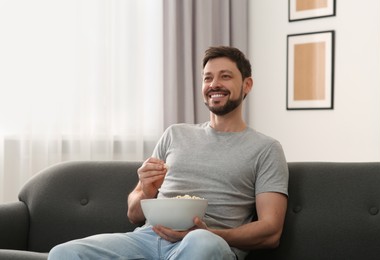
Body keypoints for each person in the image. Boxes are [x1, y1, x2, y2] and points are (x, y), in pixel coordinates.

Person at [48, 46, 289, 260]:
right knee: (64, 253)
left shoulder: (265, 149)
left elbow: (271, 231)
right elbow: (134, 214)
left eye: (225, 76)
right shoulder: (174, 134)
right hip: (147, 238)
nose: (214, 84)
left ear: (247, 84)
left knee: (199, 243)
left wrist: (208, 232)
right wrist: (147, 188)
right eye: (208, 78)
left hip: (209, 244)